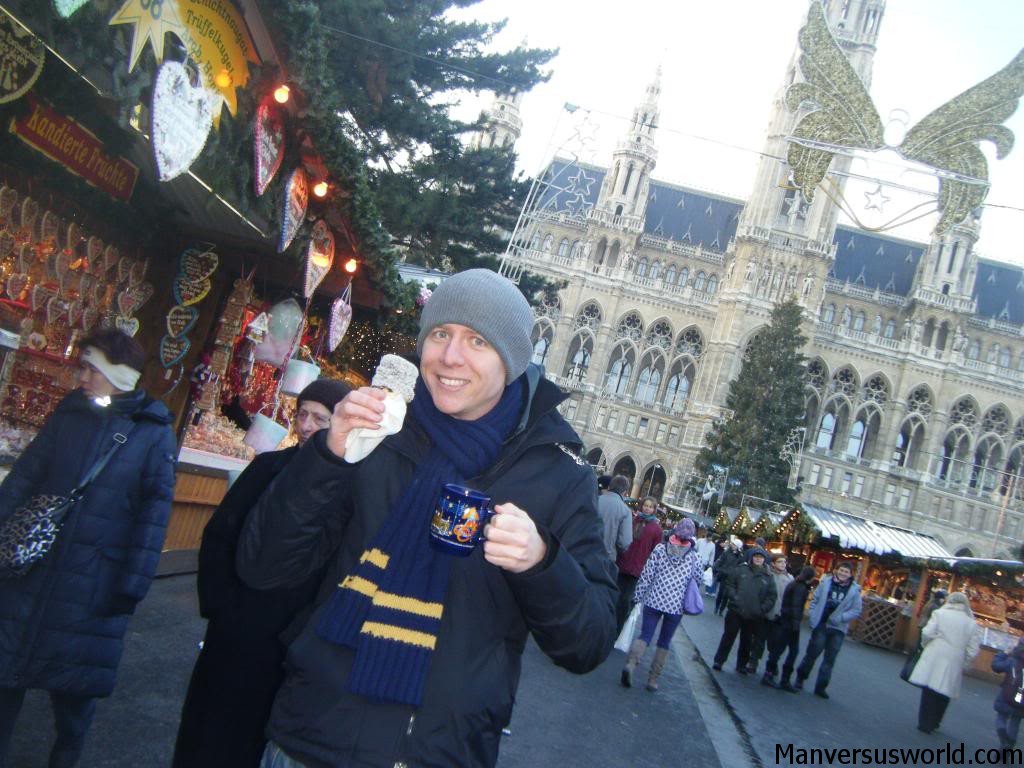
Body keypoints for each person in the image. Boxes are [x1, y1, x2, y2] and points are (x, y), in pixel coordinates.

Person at [235, 269, 617, 768]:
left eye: (477, 340)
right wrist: (327, 456)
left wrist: (542, 562)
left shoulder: (557, 473)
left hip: (432, 751)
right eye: (440, 334)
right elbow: (263, 566)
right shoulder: (383, 428)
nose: (450, 357)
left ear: (512, 359)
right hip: (310, 734)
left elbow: (587, 643)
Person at [0, 329, 176, 768]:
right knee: (7, 668)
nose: (80, 377)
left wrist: (132, 583)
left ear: (114, 374)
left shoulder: (152, 433)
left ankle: (66, 756)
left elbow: (153, 516)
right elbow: (27, 474)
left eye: (88, 368)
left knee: (75, 688)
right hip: (35, 566)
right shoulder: (70, 412)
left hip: (94, 578)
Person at [172, 378, 351, 768]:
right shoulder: (270, 466)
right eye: (302, 414)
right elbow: (221, 534)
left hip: (287, 643)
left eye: (320, 418)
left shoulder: (349, 487)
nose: (305, 425)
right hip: (236, 631)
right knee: (208, 734)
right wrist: (222, 609)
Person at [620, 519, 702, 692]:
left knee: (645, 634)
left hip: (654, 600)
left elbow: (647, 575)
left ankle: (631, 664)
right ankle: (652, 679)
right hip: (676, 605)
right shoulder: (694, 556)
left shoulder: (660, 549)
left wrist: (638, 596)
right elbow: (699, 579)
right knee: (664, 641)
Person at [909, 591, 980, 734]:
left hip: (936, 652)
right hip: (955, 657)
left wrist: (925, 645)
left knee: (929, 688)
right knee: (945, 690)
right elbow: (973, 649)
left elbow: (927, 632)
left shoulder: (940, 614)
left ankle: (924, 722)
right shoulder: (971, 623)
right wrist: (965, 661)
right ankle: (936, 721)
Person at [794, 561, 863, 699]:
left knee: (830, 659)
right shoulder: (825, 583)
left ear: (850, 574)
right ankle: (801, 677)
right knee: (812, 653)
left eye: (846, 572)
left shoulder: (854, 590)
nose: (843, 573)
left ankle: (821, 686)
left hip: (838, 628)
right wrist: (813, 615)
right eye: (841, 570)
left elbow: (856, 610)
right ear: (837, 570)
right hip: (822, 624)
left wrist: (842, 618)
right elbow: (815, 600)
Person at [712, 546, 776, 673]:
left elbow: (772, 596)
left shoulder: (768, 576)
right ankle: (719, 661)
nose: (758, 559)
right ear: (752, 558)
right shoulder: (741, 570)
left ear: (764, 560)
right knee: (728, 637)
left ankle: (741, 665)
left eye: (761, 557)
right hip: (735, 611)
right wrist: (734, 597)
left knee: (746, 641)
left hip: (753, 615)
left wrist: (761, 609)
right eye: (756, 557)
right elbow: (730, 584)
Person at [614, 496, 663, 632]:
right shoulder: (633, 520)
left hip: (638, 570)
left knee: (626, 600)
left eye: (650, 506)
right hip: (622, 564)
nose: (647, 508)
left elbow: (656, 551)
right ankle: (609, 624)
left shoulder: (656, 529)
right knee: (615, 596)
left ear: (654, 509)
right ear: (641, 506)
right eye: (645, 505)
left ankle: (618, 629)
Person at [764, 566, 815, 691]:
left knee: (780, 650)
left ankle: (771, 674)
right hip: (790, 624)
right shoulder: (800, 588)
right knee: (790, 651)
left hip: (786, 621)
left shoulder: (794, 584)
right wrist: (796, 625)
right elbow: (796, 607)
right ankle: (780, 678)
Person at [749, 553, 794, 675]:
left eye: (784, 562)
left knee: (774, 643)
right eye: (780, 562)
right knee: (758, 640)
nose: (783, 564)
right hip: (765, 613)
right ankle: (753, 662)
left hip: (779, 616)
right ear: (773, 563)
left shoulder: (790, 579)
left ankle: (772, 665)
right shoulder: (767, 575)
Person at [992, 638, 1024, 749]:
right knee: (1015, 722)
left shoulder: (1012, 661)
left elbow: (996, 666)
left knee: (1001, 717)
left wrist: (1004, 653)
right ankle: (1008, 748)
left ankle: (1003, 737)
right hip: (1022, 699)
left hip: (1007, 695)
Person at [597, 475, 632, 562]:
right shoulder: (625, 510)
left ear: (609, 487)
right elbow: (624, 542)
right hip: (605, 558)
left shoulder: (594, 500)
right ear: (625, 492)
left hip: (583, 552)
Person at [712, 536, 744, 616]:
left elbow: (740, 566)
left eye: (734, 545)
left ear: (738, 547)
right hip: (724, 575)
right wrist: (718, 568)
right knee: (721, 592)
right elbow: (721, 561)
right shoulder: (726, 552)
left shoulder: (740, 556)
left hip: (732, 577)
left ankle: (721, 610)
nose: (732, 545)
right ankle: (717, 606)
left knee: (727, 595)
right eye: (732, 544)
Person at [693, 527, 716, 594]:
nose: (710, 539)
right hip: (696, 560)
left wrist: (710, 564)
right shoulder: (700, 541)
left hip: (704, 563)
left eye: (711, 538)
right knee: (693, 575)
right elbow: (695, 549)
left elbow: (712, 555)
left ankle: (696, 589)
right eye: (709, 537)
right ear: (707, 536)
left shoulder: (713, 545)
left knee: (700, 577)